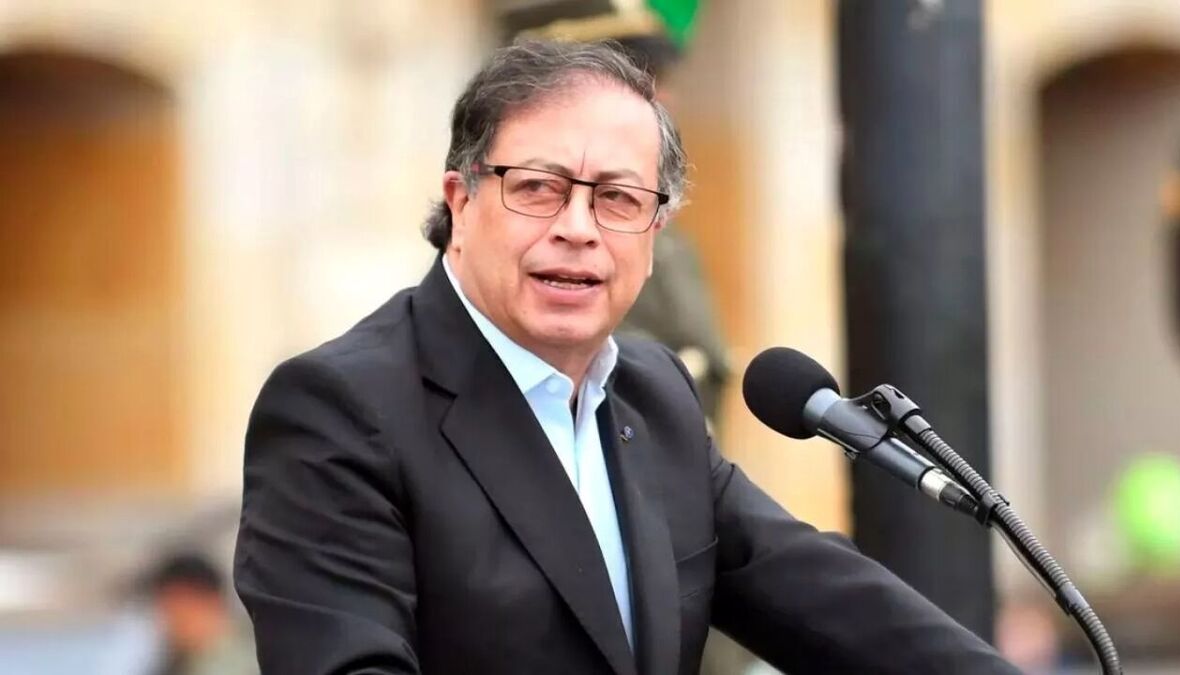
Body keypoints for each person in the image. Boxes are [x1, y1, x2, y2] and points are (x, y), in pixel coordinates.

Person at [233, 39, 1020, 674]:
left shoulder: (654, 393)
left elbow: (828, 600)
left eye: (617, 198)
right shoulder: (340, 408)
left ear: (655, 232)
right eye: (538, 188)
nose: (578, 228)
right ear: (461, 202)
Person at [143, 552, 256, 675]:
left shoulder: (251, 656)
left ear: (212, 601)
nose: (170, 625)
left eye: (181, 613)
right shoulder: (175, 663)